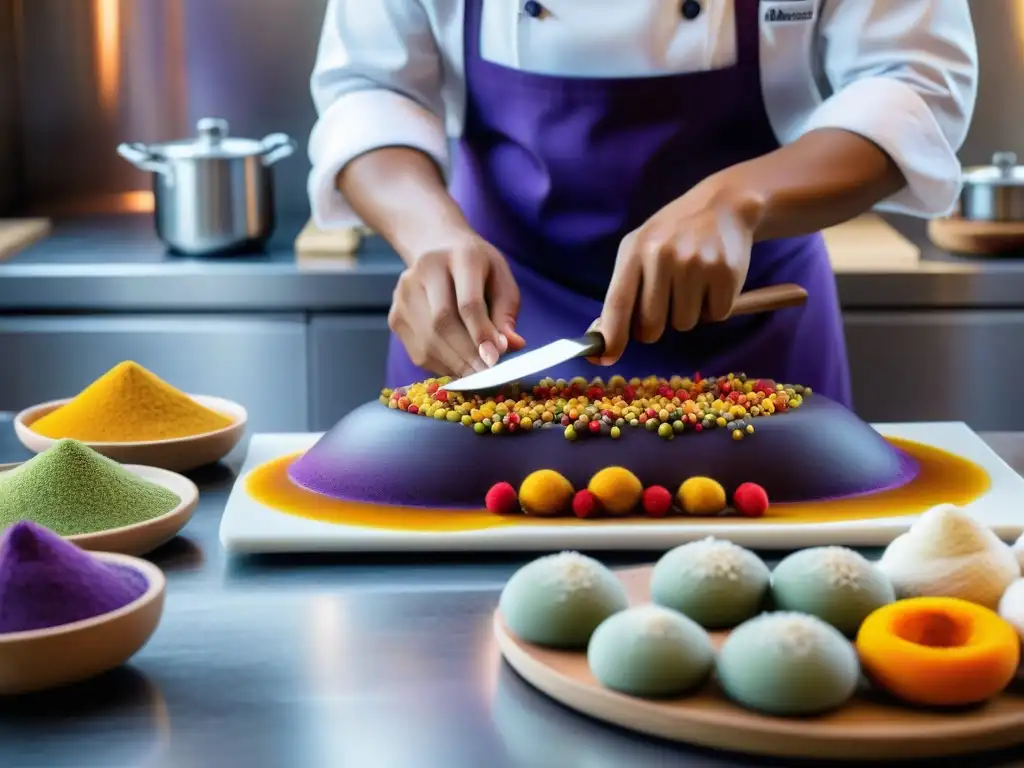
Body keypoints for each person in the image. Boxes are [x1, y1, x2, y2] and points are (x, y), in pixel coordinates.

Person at [308, 0, 977, 408]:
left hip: (751, 331)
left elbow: (914, 83)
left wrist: (740, 199)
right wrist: (431, 239)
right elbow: (368, 88)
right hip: (492, 337)